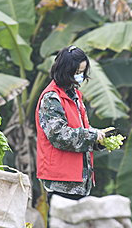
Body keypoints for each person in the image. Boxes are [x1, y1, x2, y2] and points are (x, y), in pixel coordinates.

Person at [35, 46, 107, 205]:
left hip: (79, 179)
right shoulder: (51, 98)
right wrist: (92, 135)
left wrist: (99, 140)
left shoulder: (75, 95)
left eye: (82, 72)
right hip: (62, 180)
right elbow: (59, 135)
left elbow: (81, 129)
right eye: (77, 73)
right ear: (64, 71)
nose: (80, 77)